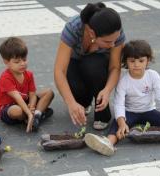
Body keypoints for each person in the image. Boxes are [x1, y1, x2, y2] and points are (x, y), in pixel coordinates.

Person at [84, 40, 160, 156]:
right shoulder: (123, 80)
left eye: (141, 61)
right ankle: (108, 143)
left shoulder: (153, 76)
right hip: (129, 113)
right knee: (117, 127)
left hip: (149, 111)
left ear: (147, 61)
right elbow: (119, 103)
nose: (136, 64)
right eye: (132, 61)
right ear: (126, 62)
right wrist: (122, 123)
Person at [54, 2, 126, 130]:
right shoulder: (73, 28)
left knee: (93, 66)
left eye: (115, 40)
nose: (113, 44)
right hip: (74, 64)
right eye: (108, 42)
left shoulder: (115, 31)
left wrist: (107, 90)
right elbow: (59, 71)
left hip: (98, 65)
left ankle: (102, 113)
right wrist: (71, 103)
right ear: (92, 33)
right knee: (72, 81)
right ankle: (84, 102)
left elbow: (115, 67)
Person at [0, 37, 54, 132]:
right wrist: (28, 112)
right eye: (17, 62)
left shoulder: (29, 74)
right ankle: (35, 115)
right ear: (6, 62)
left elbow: (32, 94)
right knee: (17, 111)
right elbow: (17, 97)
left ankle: (36, 116)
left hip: (26, 102)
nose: (22, 64)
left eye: (24, 59)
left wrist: (31, 106)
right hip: (9, 107)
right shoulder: (5, 78)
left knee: (49, 92)